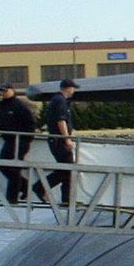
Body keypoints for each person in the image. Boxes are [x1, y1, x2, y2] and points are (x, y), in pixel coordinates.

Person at [0, 84, 35, 204]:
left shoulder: (20, 106)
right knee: (4, 165)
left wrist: (26, 139)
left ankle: (12, 197)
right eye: (2, 91)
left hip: (20, 141)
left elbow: (31, 123)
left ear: (13, 91)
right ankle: (23, 186)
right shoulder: (1, 106)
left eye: (6, 90)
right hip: (9, 141)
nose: (4, 93)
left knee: (14, 168)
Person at [39, 78, 78, 206]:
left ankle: (67, 199)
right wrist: (66, 138)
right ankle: (40, 187)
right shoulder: (61, 101)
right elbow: (61, 121)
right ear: (68, 88)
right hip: (59, 140)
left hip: (56, 139)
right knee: (67, 168)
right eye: (72, 88)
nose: (73, 91)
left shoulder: (57, 100)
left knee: (67, 170)